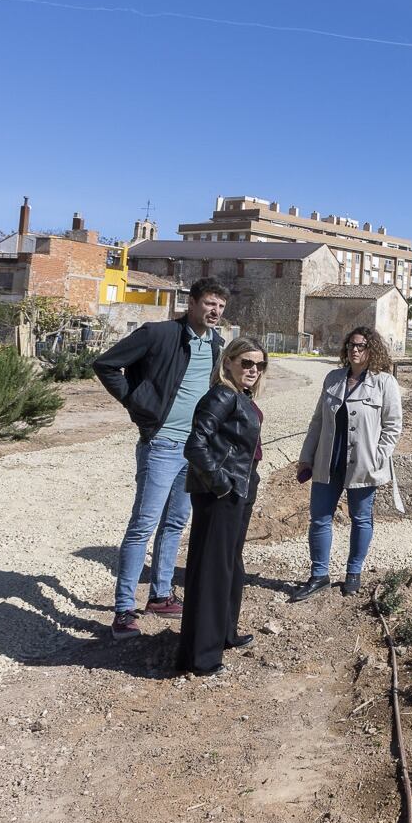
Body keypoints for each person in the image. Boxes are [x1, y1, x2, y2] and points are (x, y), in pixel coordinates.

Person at [92, 278, 229, 639]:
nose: (214, 312)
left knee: (175, 524)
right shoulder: (159, 334)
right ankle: (123, 609)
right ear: (193, 303)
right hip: (161, 444)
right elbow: (106, 364)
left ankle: (161, 594)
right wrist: (139, 405)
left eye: (220, 307)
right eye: (209, 304)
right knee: (143, 526)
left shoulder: (216, 343)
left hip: (193, 449)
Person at [288, 326, 403, 601]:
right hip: (328, 462)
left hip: (363, 464)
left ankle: (354, 572)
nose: (355, 350)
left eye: (361, 346)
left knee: (361, 518)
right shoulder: (333, 378)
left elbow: (393, 426)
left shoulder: (385, 382)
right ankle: (319, 575)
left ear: (371, 350)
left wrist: (378, 456)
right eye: (351, 345)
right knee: (319, 518)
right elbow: (317, 421)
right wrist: (306, 457)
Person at [177, 337, 268, 676]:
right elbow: (195, 446)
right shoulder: (221, 395)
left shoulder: (239, 397)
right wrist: (221, 485)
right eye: (246, 363)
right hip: (221, 493)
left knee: (230, 566)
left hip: (239, 488)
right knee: (213, 571)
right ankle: (201, 656)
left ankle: (223, 634)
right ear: (228, 362)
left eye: (259, 365)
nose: (253, 370)